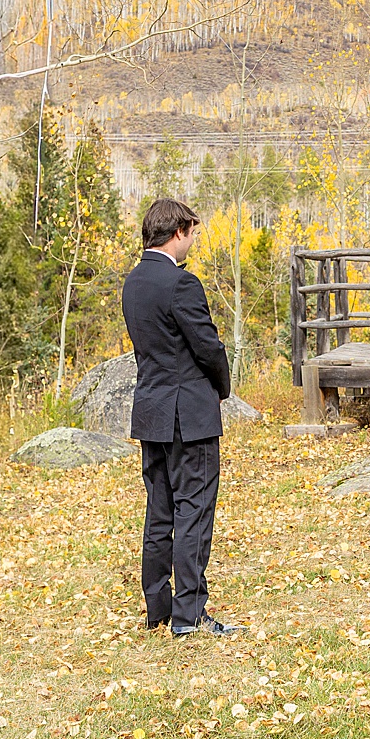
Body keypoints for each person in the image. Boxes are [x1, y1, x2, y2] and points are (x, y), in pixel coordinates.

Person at [122, 198, 242, 638]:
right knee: (194, 509)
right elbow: (208, 347)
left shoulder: (133, 282)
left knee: (159, 512)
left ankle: (158, 609)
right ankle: (189, 615)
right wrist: (222, 388)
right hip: (188, 416)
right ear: (178, 232)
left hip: (151, 411)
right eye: (192, 233)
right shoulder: (181, 283)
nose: (193, 241)